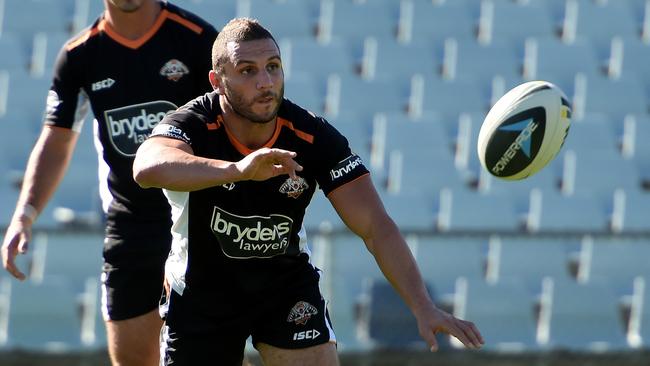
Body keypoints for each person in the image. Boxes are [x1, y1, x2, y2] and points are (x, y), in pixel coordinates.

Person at [133, 17, 485, 366]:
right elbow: (146, 168)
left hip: (284, 288)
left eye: (273, 67)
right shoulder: (192, 123)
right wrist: (238, 170)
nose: (266, 82)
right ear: (218, 81)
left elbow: (375, 226)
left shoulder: (311, 135)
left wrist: (423, 307)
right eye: (247, 71)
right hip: (202, 294)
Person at [1, 1, 218, 365]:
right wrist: (24, 214)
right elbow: (56, 140)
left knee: (212, 356)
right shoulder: (79, 56)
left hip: (199, 224)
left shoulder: (196, 39)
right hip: (129, 231)